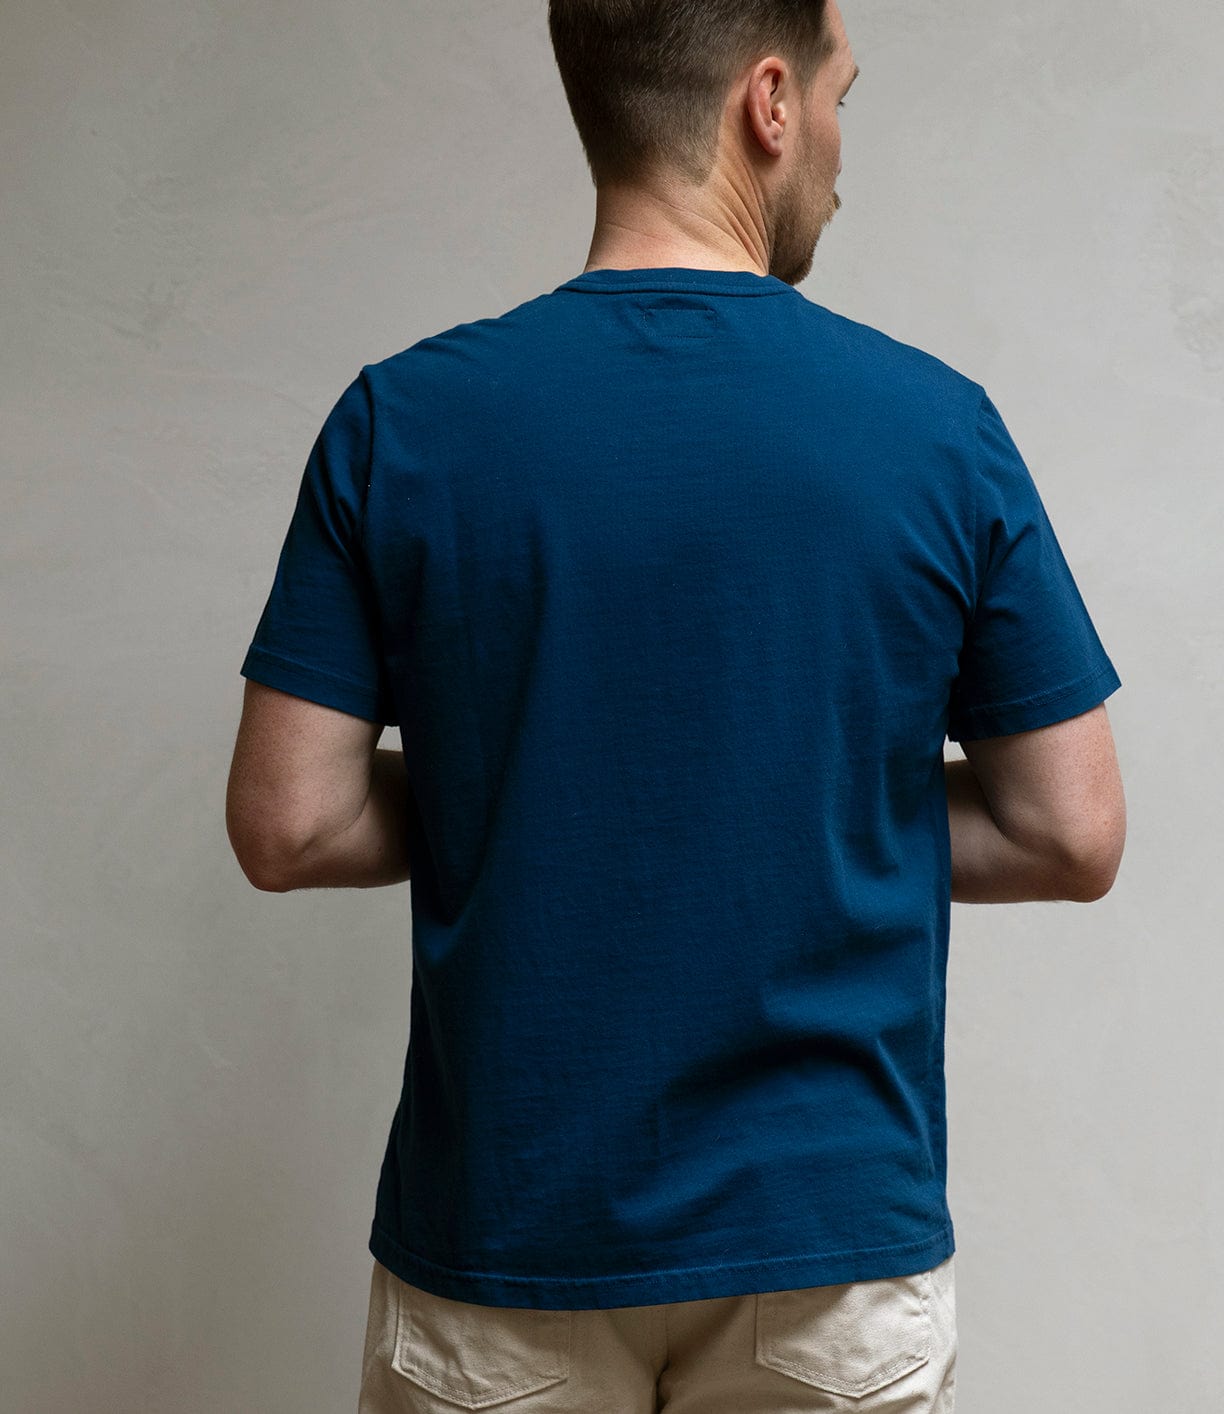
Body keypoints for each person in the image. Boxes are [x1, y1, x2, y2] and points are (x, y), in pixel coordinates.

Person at [225, 0, 1126, 1408]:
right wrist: (803, 806)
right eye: (840, 95)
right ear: (767, 104)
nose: (842, 147)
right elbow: (1070, 831)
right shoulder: (937, 429)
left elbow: (290, 820)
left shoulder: (401, 422)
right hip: (824, 1249)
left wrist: (529, 788)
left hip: (506, 1243)